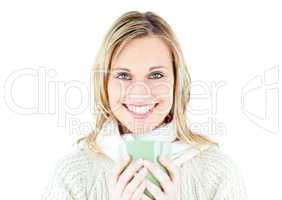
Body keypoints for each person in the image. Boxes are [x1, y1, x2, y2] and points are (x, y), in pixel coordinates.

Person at [41, 11, 247, 200]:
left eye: (156, 75)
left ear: (177, 82)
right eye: (123, 75)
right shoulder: (71, 176)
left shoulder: (219, 174)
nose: (140, 92)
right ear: (104, 84)